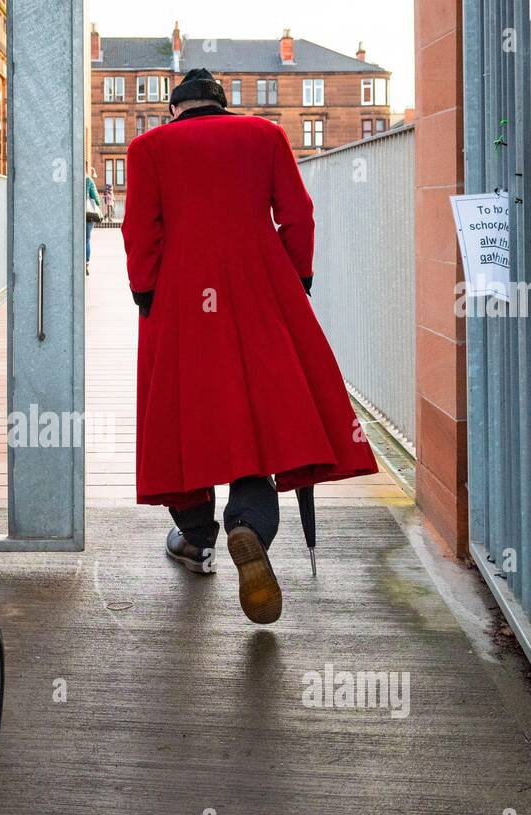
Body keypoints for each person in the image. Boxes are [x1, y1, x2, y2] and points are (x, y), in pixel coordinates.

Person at [121, 67, 377, 624]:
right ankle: (248, 525)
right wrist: (295, 278)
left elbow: (141, 231)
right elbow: (298, 214)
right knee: (255, 418)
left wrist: (145, 291)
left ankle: (194, 538)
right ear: (221, 105)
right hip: (260, 289)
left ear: (176, 110)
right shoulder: (265, 135)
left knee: (183, 417)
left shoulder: (148, 147)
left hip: (184, 297)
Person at [85, 166, 101, 276]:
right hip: (88, 215)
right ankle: (86, 264)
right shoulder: (88, 180)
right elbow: (96, 200)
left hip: (74, 215)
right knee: (86, 240)